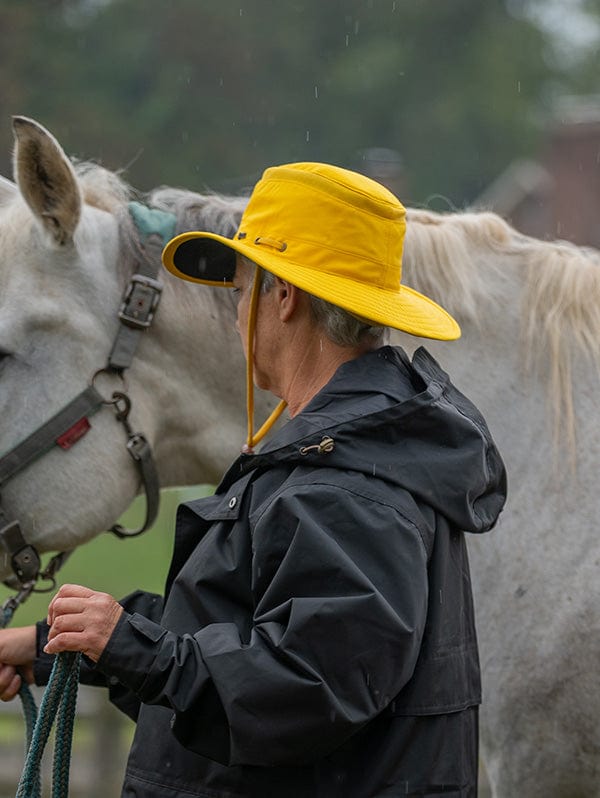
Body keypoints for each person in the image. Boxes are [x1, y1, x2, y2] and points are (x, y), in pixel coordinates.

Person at [0, 162, 506, 797]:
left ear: (284, 296)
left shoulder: (343, 487)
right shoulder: (349, 459)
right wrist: (55, 645)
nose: (237, 316)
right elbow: (239, 634)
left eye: (240, 291)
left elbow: (301, 691)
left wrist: (138, 651)